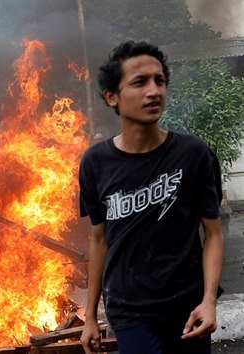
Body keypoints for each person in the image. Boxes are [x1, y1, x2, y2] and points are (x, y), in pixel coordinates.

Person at [79, 41, 224, 354]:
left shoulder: (194, 155)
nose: (154, 90)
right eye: (139, 82)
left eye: (159, 80)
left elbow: (212, 234)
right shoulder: (95, 163)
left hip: (188, 308)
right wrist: (90, 317)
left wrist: (209, 301)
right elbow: (98, 240)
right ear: (111, 97)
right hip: (130, 311)